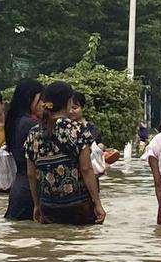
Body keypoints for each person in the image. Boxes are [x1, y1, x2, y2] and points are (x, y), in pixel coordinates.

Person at [25, 81, 106, 226]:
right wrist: (98, 203)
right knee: (77, 246)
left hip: (48, 206)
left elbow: (31, 174)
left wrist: (37, 205)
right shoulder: (78, 130)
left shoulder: (33, 133)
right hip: (78, 205)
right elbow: (86, 169)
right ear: (69, 102)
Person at [4, 79, 44, 220]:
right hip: (29, 189)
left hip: (19, 188)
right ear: (29, 99)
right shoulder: (30, 124)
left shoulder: (15, 121)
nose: (43, 104)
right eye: (40, 99)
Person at [68, 91, 120, 174]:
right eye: (68, 108)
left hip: (89, 171)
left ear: (83, 107)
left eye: (74, 108)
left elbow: (99, 145)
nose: (70, 111)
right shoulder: (63, 127)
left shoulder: (91, 128)